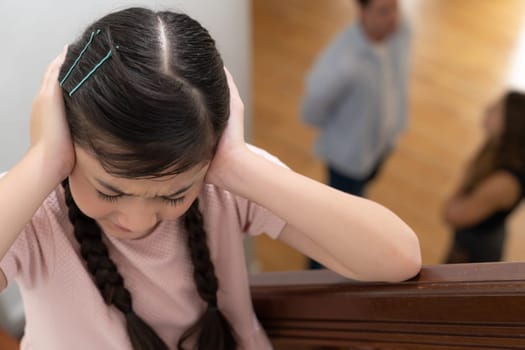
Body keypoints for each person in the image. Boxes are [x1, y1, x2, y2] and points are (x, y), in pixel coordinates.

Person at [0, 7, 421, 350]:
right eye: (110, 190)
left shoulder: (223, 185)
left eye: (174, 195)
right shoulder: (34, 211)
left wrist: (237, 164)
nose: (139, 219)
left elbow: (398, 258)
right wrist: (43, 162)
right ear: (66, 146)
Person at [301, 0, 411, 269]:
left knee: (356, 202)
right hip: (348, 159)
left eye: (396, 7)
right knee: (333, 224)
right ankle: (318, 271)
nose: (394, 18)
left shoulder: (400, 32)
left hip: (380, 146)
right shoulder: (342, 63)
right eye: (384, 11)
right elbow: (311, 111)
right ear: (362, 11)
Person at [443, 91, 525, 263]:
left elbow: (453, 215)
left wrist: (462, 186)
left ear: (509, 125)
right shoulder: (499, 149)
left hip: (475, 248)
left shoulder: (503, 183)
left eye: (496, 109)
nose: (488, 109)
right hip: (484, 226)